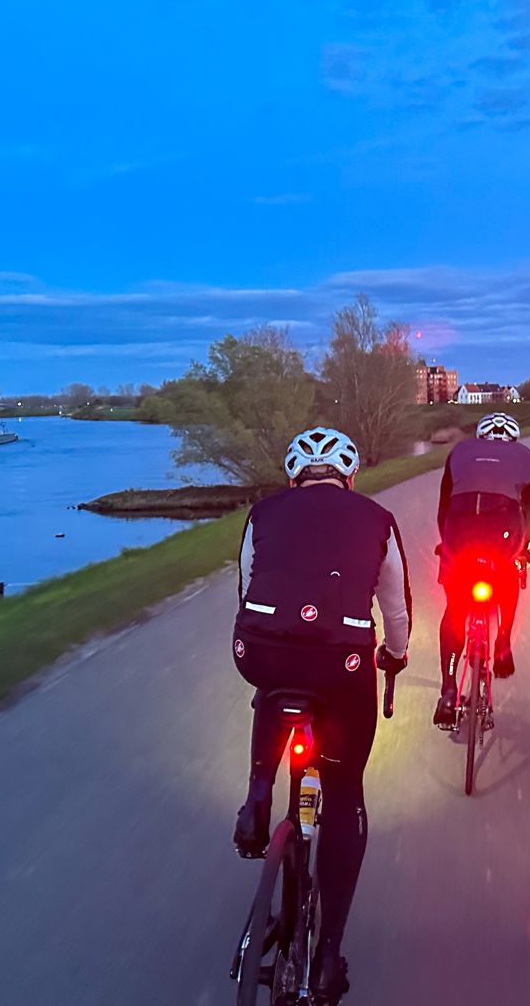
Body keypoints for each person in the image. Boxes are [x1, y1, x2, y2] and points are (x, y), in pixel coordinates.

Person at [231, 426, 411, 1001]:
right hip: (342, 668)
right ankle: (328, 955)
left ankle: (258, 799)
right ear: (350, 476)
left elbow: (245, 588)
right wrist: (395, 655)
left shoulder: (262, 512)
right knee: (344, 789)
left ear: (293, 476)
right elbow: (396, 610)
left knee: (272, 686)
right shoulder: (378, 519)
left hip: (260, 651)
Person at [433, 412, 530, 727]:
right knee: (508, 577)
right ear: (513, 439)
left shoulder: (459, 451)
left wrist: (447, 544)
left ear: (480, 437)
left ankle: (449, 689)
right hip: (503, 526)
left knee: (455, 609)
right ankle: (503, 646)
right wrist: (524, 548)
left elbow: (444, 506)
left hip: (459, 527)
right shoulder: (526, 456)